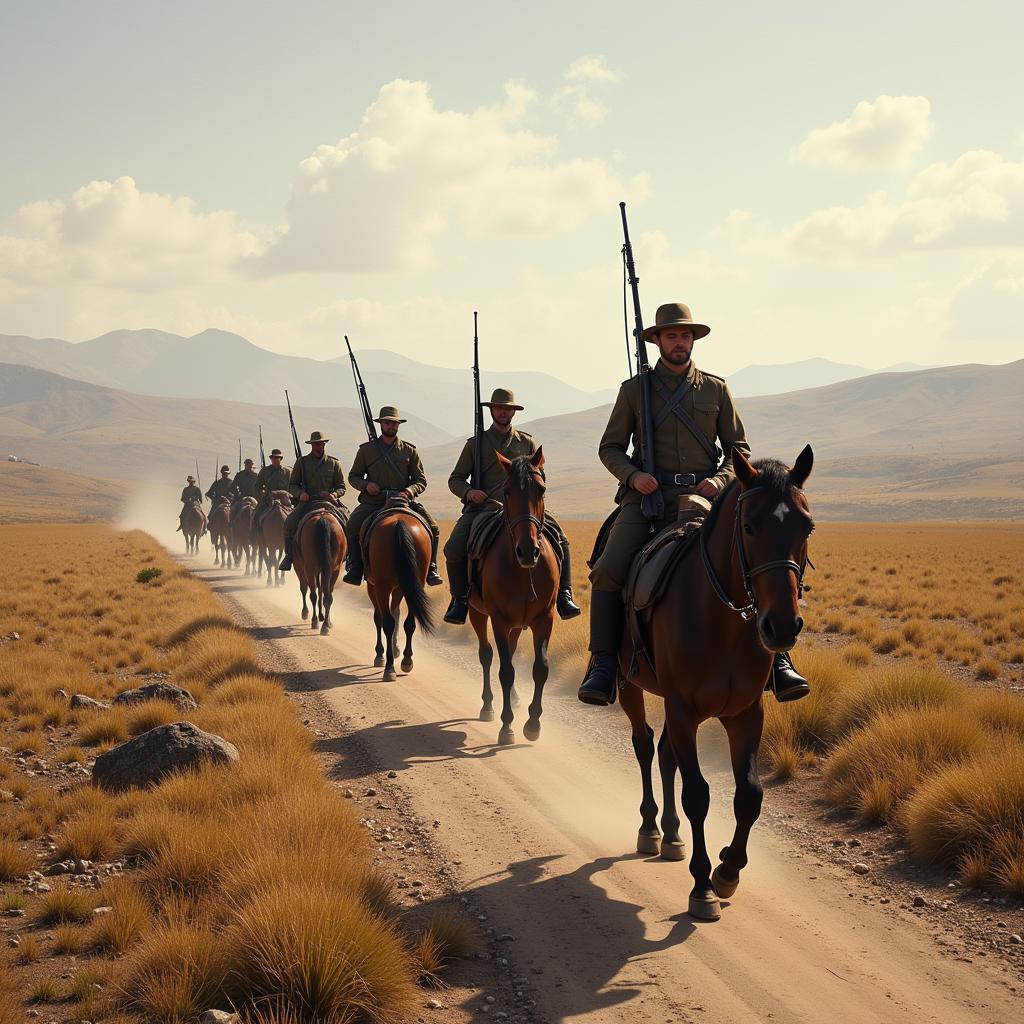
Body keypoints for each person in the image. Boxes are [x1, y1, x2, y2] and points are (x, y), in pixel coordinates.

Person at [577, 302, 810, 706]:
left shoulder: (715, 389)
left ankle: (778, 661)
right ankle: (601, 663)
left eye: (685, 335)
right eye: (671, 336)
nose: (679, 342)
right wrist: (634, 476)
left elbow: (738, 448)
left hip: (706, 500)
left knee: (753, 560)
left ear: (692, 340)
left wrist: (718, 481)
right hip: (648, 499)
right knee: (609, 568)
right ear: (657, 341)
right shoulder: (635, 391)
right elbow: (610, 447)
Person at [443, 387, 581, 624]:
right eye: (499, 408)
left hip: (523, 510)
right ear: (491, 411)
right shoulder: (476, 444)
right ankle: (460, 601)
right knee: (453, 547)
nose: (503, 412)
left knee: (561, 539)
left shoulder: (527, 442)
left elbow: (540, 475)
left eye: (508, 409)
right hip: (484, 508)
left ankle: (564, 596)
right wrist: (469, 492)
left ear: (513, 412)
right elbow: (455, 479)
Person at [342, 407, 444, 587]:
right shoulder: (366, 450)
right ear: (381, 424)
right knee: (352, 526)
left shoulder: (409, 450)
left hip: (403, 501)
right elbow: (353, 477)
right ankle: (356, 568)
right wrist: (366, 485)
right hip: (374, 502)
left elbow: (420, 480)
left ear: (398, 425)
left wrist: (409, 491)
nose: (390, 426)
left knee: (433, 528)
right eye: (387, 422)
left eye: (394, 423)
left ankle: (431, 569)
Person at [278, 430, 348, 571]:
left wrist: (334, 495)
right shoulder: (302, 463)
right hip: (308, 502)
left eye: (321, 444)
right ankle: (289, 556)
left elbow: (341, 487)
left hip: (329, 503)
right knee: (289, 524)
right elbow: (292, 485)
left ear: (324, 444)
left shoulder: (334, 463)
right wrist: (301, 493)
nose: (318, 446)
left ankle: (350, 558)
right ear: (311, 445)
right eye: (316, 444)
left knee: (349, 522)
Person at [254, 448, 292, 527]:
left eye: (277, 458)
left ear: (280, 459)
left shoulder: (288, 471)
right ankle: (255, 537)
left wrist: (289, 495)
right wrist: (263, 494)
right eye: (273, 458)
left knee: (296, 517)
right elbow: (257, 486)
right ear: (271, 459)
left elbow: (293, 485)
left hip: (284, 499)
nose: (274, 460)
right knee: (256, 515)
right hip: (268, 499)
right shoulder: (265, 471)